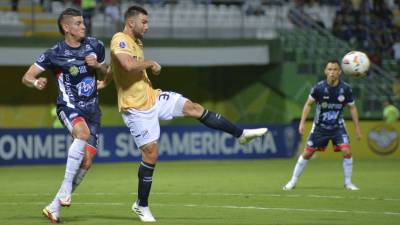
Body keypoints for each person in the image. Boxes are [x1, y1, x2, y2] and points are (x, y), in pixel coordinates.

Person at [110, 5, 268, 222]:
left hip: (152, 97)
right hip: (135, 108)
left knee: (193, 107)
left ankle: (240, 135)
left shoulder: (136, 42)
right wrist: (151, 63)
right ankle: (141, 205)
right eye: (144, 22)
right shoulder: (119, 38)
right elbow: (127, 65)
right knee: (151, 154)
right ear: (131, 23)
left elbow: (115, 66)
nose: (147, 26)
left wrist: (105, 79)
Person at [21, 8, 110, 224]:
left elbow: (108, 71)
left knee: (87, 162)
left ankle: (54, 207)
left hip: (92, 110)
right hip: (69, 107)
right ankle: (66, 190)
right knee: (82, 133)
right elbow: (27, 76)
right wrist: (35, 82)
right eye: (78, 23)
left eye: (83, 23)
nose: (83, 26)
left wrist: (98, 66)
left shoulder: (95, 46)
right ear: (66, 27)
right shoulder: (54, 53)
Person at [283, 60, 362, 191]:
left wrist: (357, 128)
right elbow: (308, 104)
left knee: (347, 151)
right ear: (325, 71)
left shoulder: (346, 89)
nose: (332, 72)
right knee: (307, 154)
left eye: (335, 69)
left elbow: (352, 108)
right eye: (330, 69)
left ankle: (348, 183)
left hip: (338, 127)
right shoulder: (318, 88)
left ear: (340, 72)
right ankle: (292, 181)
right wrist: (302, 123)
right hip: (320, 128)